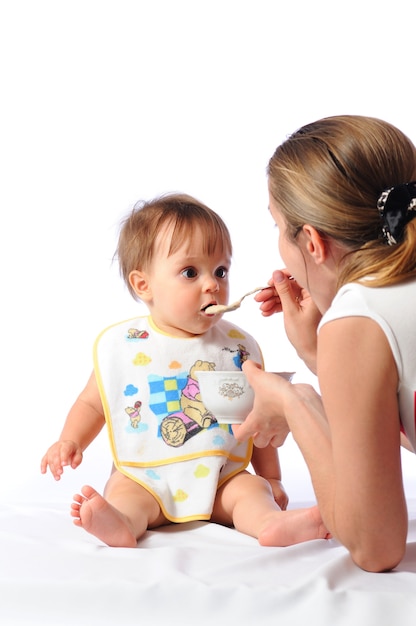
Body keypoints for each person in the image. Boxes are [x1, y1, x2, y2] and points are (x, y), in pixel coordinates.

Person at [41, 193, 329, 548]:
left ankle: (270, 522)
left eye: (221, 270)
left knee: (250, 491)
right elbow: (92, 404)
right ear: (143, 284)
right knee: (125, 492)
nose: (212, 283)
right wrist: (70, 440)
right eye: (190, 272)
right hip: (147, 478)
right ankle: (122, 522)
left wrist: (272, 478)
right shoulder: (125, 345)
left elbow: (258, 417)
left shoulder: (237, 347)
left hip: (221, 478)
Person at [233, 115, 416, 572]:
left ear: (312, 243)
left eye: (278, 226)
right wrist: (318, 355)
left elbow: (376, 547)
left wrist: (293, 401)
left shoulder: (360, 319)